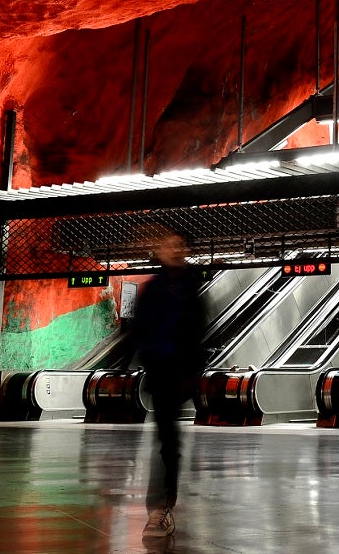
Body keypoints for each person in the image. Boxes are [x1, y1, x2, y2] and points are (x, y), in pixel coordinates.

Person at [130, 228, 207, 538]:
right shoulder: (153, 289)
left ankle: (162, 507)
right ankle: (161, 507)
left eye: (180, 245)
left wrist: (193, 371)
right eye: (169, 245)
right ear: (158, 251)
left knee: (168, 442)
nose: (176, 249)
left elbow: (199, 332)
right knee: (166, 442)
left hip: (181, 373)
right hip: (160, 373)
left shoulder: (193, 288)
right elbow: (138, 329)